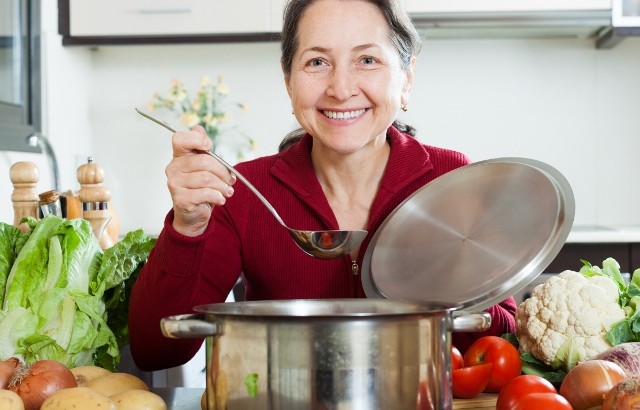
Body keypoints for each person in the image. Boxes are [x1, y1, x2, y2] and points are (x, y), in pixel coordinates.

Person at [129, 0, 517, 371]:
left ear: (406, 79)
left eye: (367, 60)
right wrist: (187, 227)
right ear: (288, 83)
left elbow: (504, 342)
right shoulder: (243, 191)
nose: (341, 87)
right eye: (317, 62)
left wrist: (449, 272)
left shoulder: (450, 178)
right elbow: (155, 350)